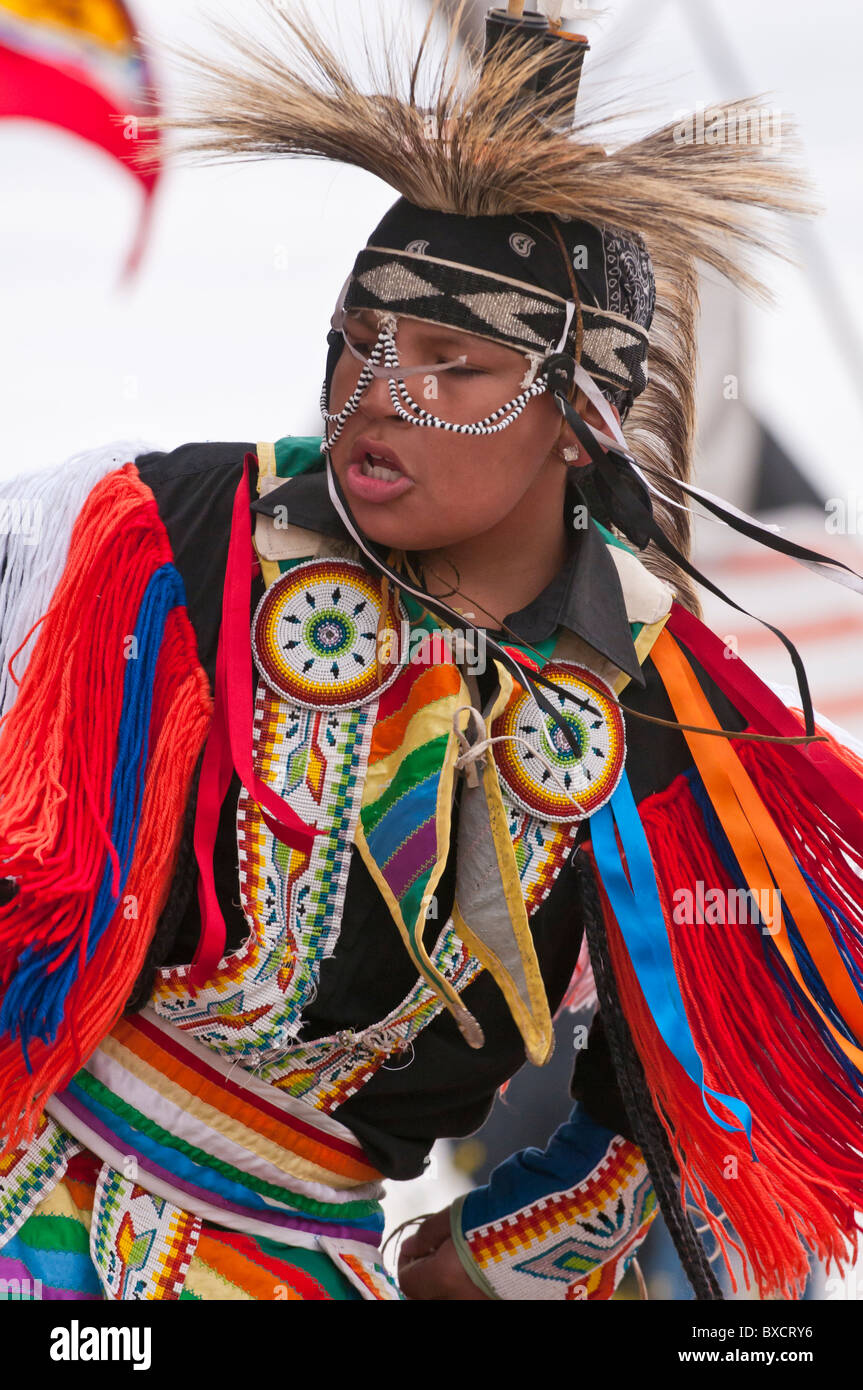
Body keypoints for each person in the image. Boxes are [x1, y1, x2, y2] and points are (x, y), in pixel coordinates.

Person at [2, 2, 863, 1303]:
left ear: (579, 418)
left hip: (303, 1263)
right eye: (356, 343)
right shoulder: (177, 536)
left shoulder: (657, 708)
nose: (372, 395)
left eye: (448, 363)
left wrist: (502, 1249)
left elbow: (702, 1089)